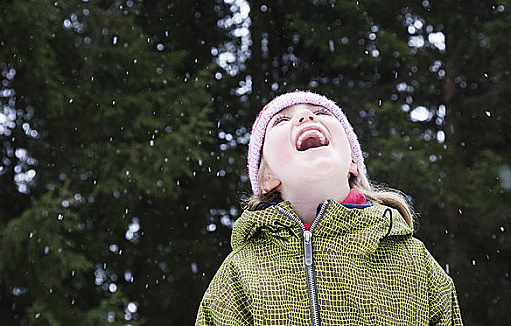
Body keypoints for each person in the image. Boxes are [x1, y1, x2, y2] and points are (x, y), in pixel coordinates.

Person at [196, 90, 463, 325]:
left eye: (321, 113)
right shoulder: (239, 275)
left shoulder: (413, 261)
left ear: (352, 165)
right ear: (267, 177)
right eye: (281, 120)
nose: (305, 117)